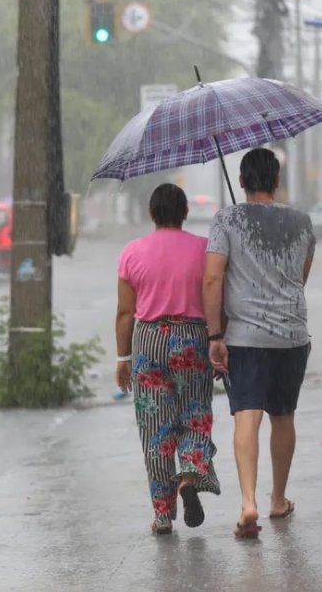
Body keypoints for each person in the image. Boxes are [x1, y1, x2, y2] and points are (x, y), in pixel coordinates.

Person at [202, 148, 315, 539]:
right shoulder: (301, 222)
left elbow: (213, 279)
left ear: (243, 182)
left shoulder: (226, 219)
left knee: (246, 417)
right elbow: (300, 277)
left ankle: (248, 501)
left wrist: (215, 335)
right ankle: (278, 499)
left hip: (245, 339)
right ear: (277, 181)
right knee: (283, 416)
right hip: (291, 335)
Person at [116, 183, 221, 535]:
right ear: (185, 213)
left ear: (151, 213)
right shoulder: (204, 249)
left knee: (155, 430)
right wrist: (219, 342)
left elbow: (124, 313)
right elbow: (216, 297)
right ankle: (188, 478)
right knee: (195, 415)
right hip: (193, 337)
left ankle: (163, 515)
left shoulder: (132, 252)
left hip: (149, 340)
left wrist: (123, 358)